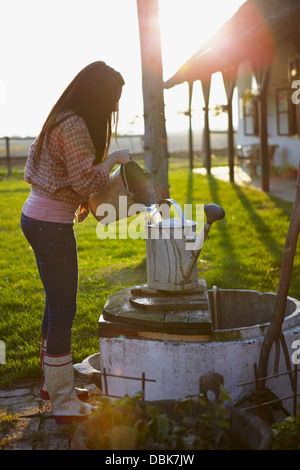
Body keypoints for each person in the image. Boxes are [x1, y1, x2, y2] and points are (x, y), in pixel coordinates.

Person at [21, 61, 131, 424]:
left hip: (38, 217)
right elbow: (86, 180)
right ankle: (64, 401)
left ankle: (53, 385)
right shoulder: (76, 124)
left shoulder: (62, 116)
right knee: (64, 311)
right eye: (112, 100)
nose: (114, 108)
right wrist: (114, 159)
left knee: (55, 305)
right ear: (99, 95)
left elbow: (54, 172)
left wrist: (76, 200)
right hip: (51, 226)